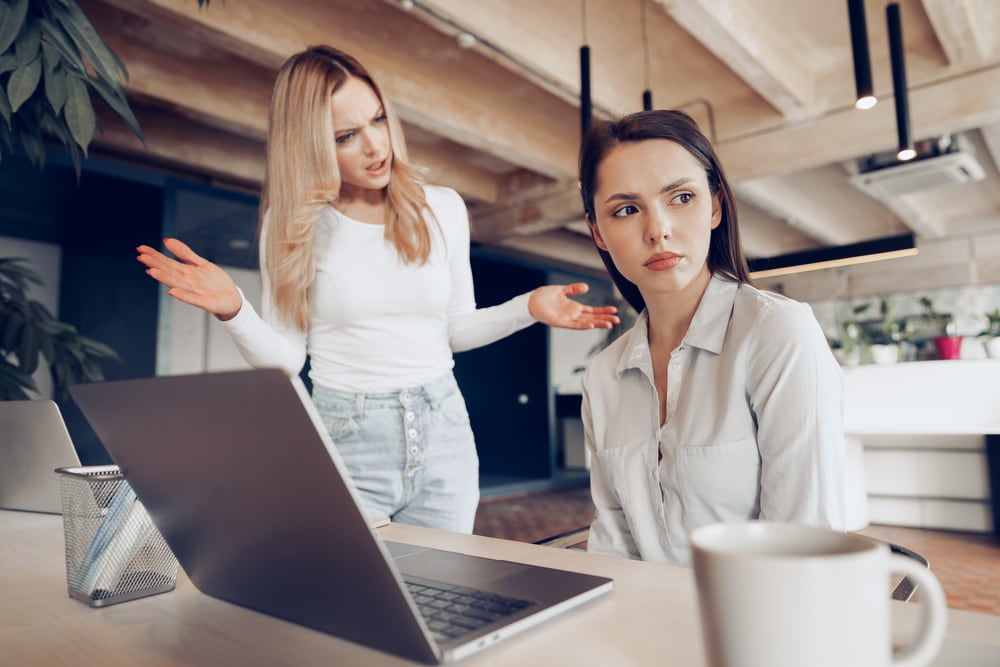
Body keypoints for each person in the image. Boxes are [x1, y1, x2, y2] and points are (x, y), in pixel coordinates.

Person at [136, 45, 619, 534]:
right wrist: (234, 310)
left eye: (378, 119)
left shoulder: (443, 208)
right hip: (348, 439)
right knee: (355, 582)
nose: (374, 146)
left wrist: (528, 307)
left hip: (444, 433)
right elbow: (286, 360)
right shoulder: (291, 227)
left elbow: (454, 331)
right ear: (309, 146)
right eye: (346, 136)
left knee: (446, 578)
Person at [577, 109, 847, 565]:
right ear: (598, 232)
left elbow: (803, 541)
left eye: (681, 197)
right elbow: (613, 548)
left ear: (715, 206)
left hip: (763, 606)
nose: (657, 230)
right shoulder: (603, 376)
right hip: (642, 609)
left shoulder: (776, 331)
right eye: (626, 210)